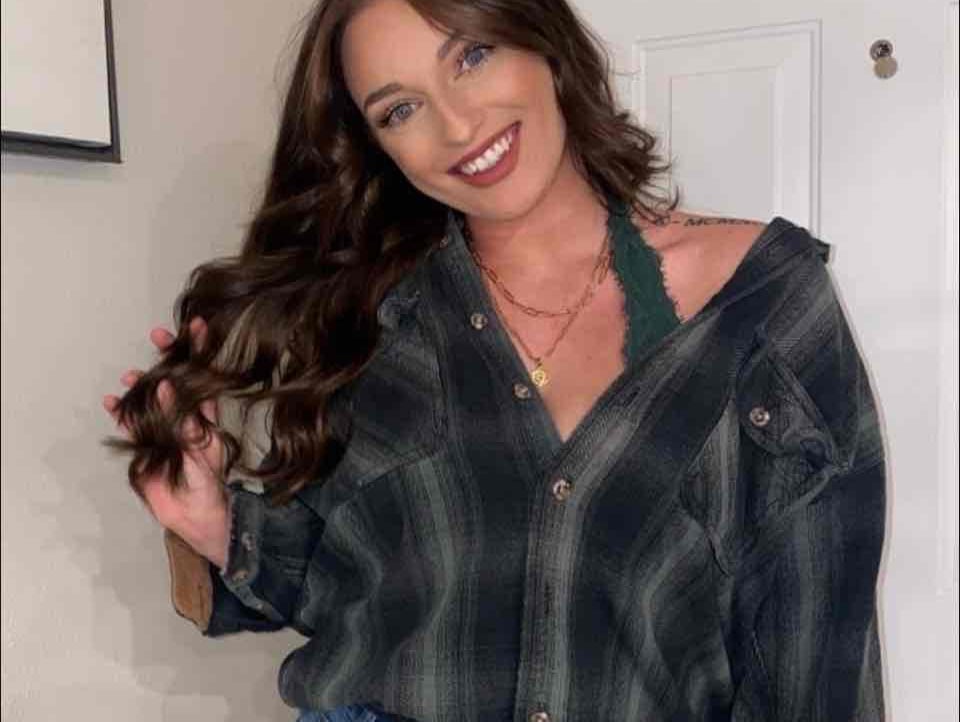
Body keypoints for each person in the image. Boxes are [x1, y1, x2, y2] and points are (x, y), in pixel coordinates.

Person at [102, 0, 887, 719]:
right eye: (401, 109)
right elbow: (347, 588)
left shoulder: (764, 305)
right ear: (379, 147)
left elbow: (818, 658)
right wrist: (216, 523)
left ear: (540, 39)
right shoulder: (371, 319)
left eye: (472, 56)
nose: (457, 125)